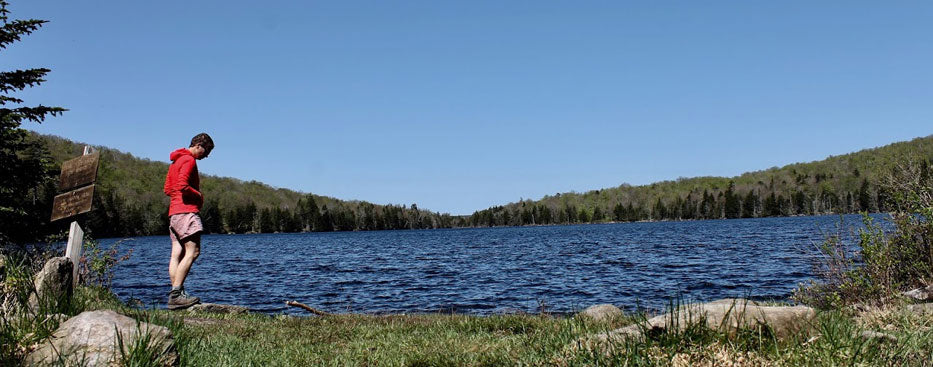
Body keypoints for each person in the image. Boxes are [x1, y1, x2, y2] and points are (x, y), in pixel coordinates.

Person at [163, 133, 214, 310]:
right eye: (206, 151)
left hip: (174, 214)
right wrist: (198, 195)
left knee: (177, 253)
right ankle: (176, 295)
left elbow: (168, 189)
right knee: (193, 251)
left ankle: (177, 293)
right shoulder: (189, 160)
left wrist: (180, 197)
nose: (206, 156)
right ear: (199, 145)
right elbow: (182, 186)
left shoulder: (175, 161)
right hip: (186, 212)